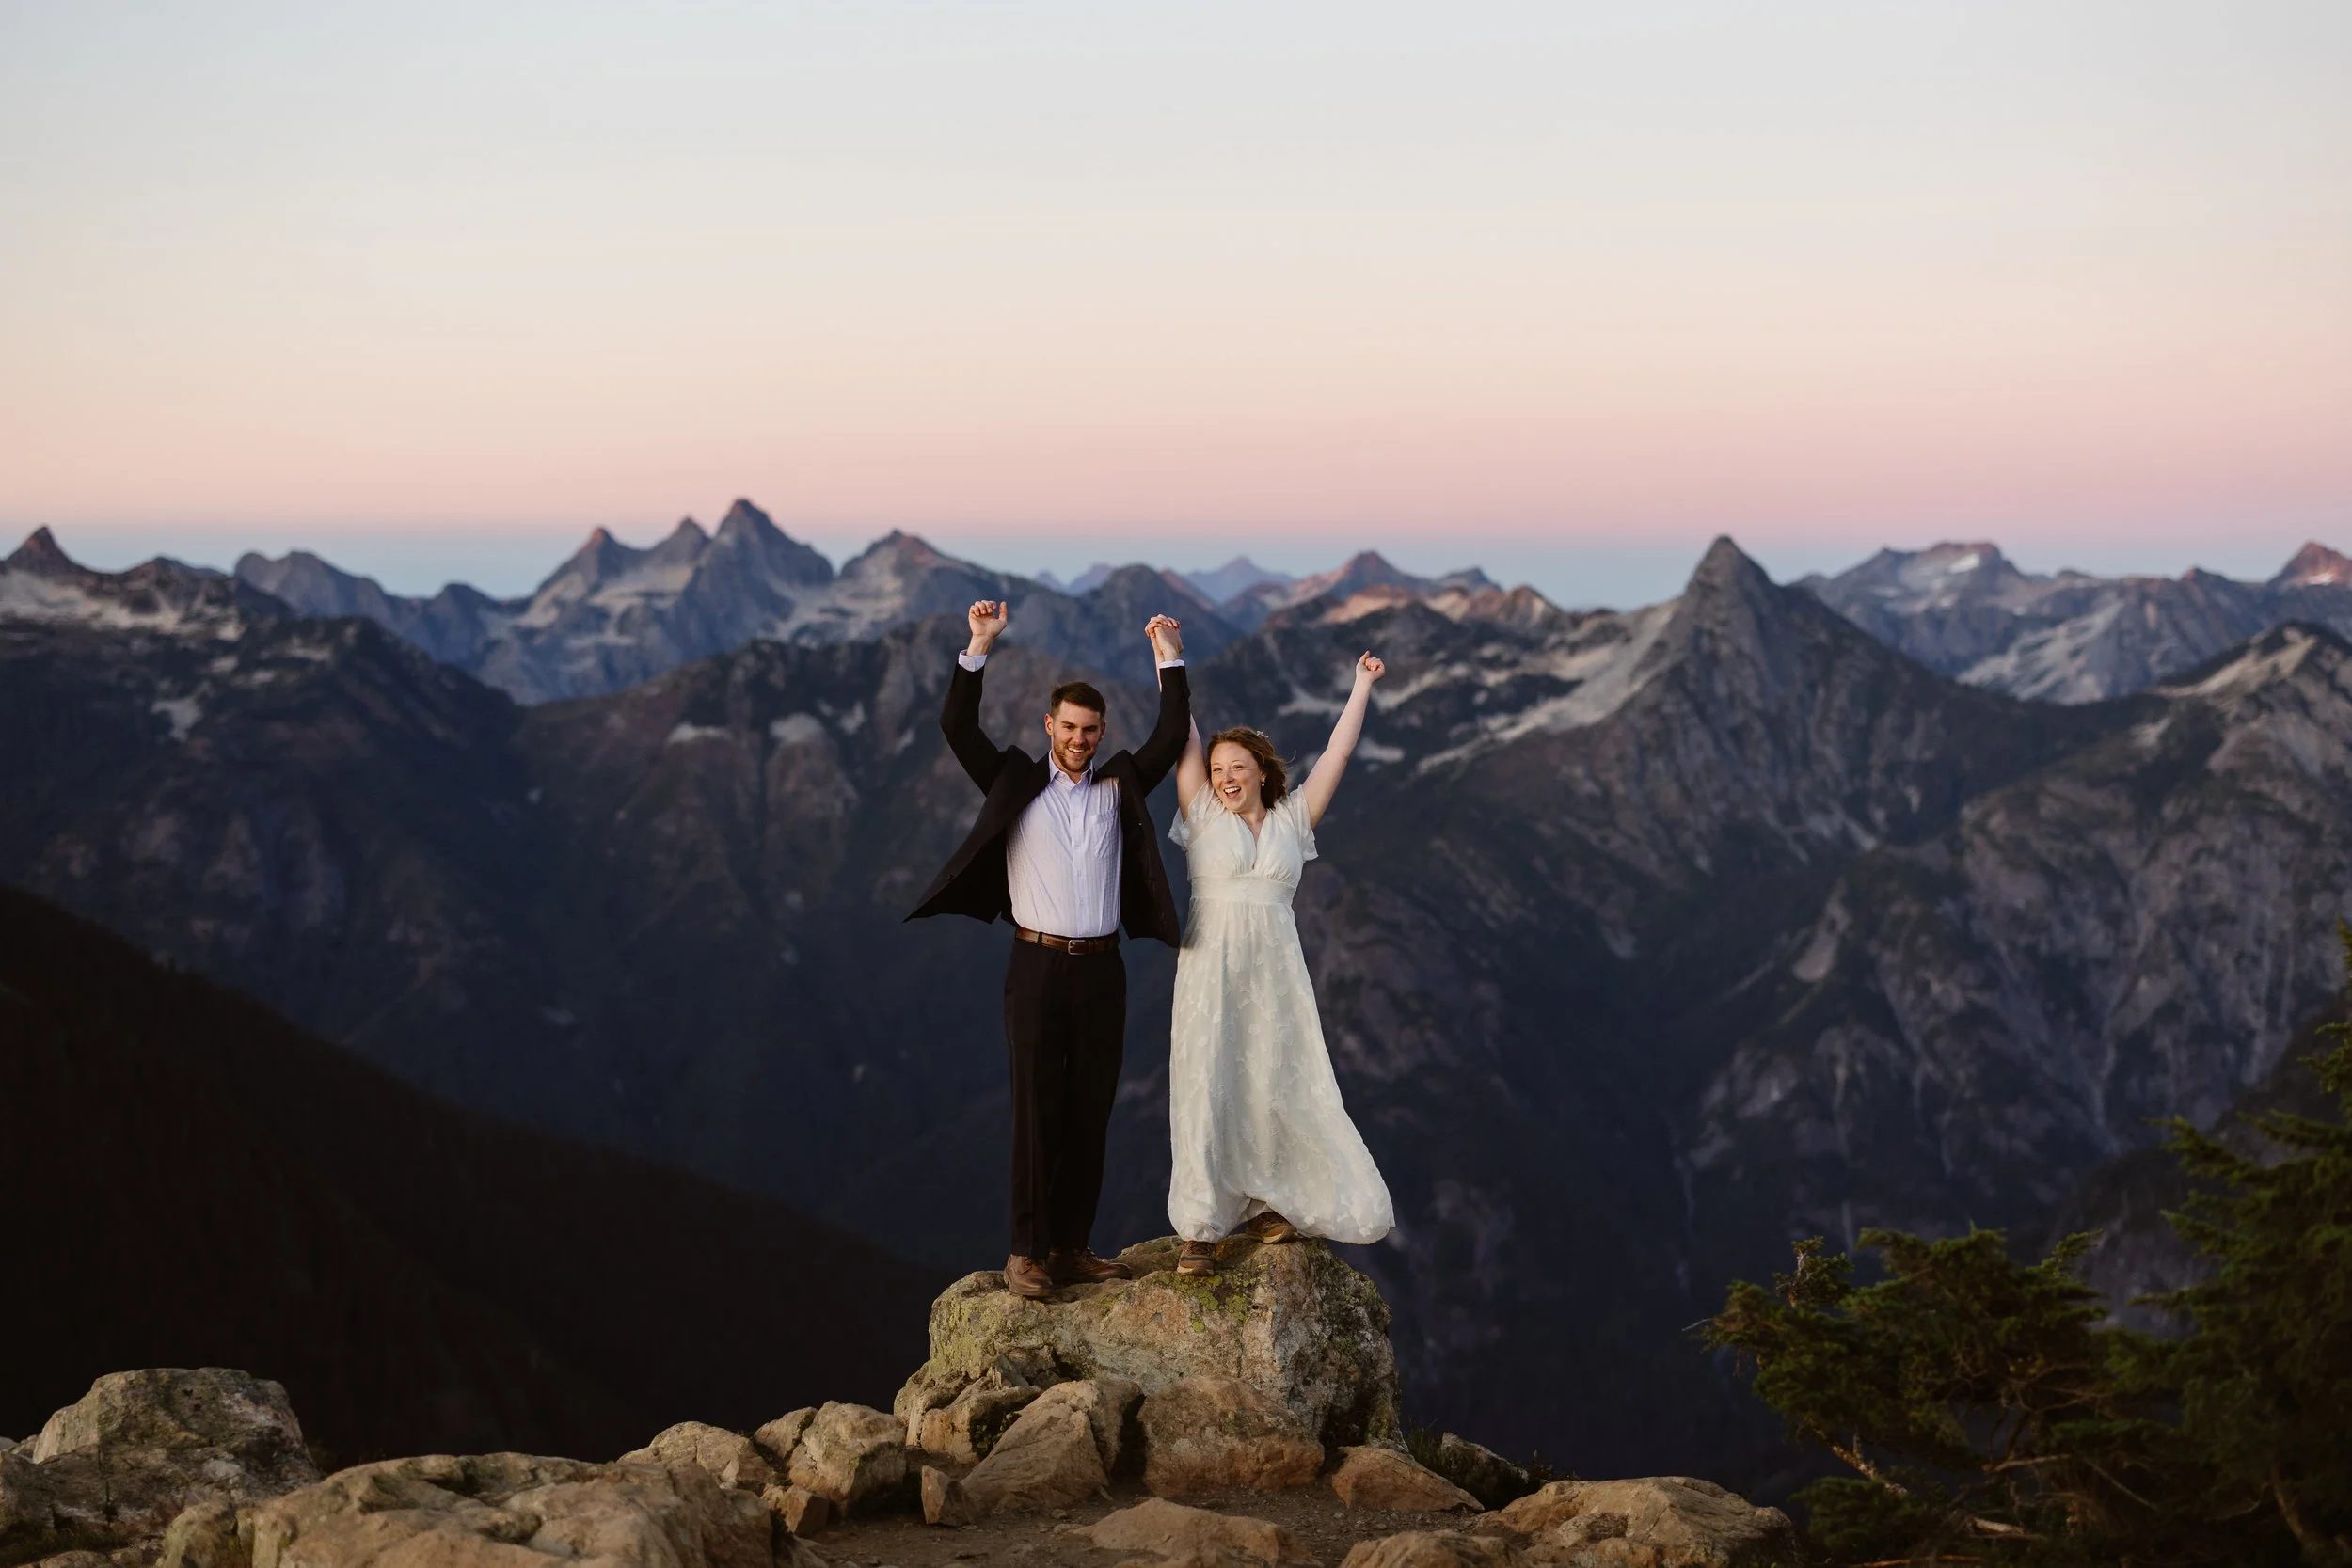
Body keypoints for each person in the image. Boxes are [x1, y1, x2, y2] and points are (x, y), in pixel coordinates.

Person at [907, 598, 1192, 1300]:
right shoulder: (1014, 779)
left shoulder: (1121, 782)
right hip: (1035, 965)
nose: (1080, 738)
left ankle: (1069, 1246)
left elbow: (1172, 731)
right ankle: (1027, 1252)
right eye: (1068, 727)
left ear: (1100, 733)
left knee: (1091, 1109)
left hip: (1103, 970)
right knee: (1037, 1109)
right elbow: (956, 725)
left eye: (1090, 729)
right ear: (1048, 727)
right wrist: (977, 644)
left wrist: (1169, 653)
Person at [1165, 650, 1396, 1275]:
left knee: (1274, 1077)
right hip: (1211, 964)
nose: (1225, 776)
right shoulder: (1203, 813)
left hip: (1275, 969)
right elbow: (1181, 730)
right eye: (1217, 768)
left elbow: (1337, 755)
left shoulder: (1295, 818)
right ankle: (1200, 1227)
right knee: (1207, 1079)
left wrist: (1360, 685)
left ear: (1263, 772)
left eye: (1238, 766)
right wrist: (1170, 658)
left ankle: (1267, 1200)